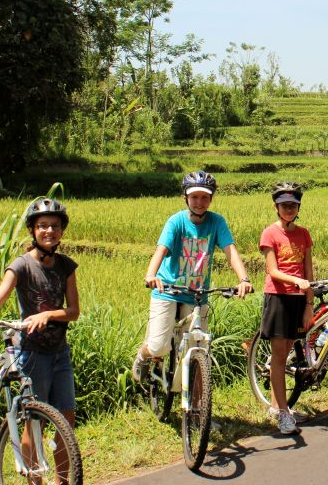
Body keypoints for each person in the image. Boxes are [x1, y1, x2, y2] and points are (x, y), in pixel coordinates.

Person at [0, 198, 80, 478]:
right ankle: (35, 479)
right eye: (42, 226)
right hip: (32, 353)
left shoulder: (66, 265)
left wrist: (49, 315)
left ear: (62, 230)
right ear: (32, 230)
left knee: (66, 419)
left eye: (54, 226)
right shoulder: (21, 265)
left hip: (59, 352)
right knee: (33, 421)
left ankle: (65, 479)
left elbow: (73, 311)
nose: (49, 231)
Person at [133, 171, 253, 383]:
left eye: (205, 197)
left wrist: (244, 279)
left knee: (199, 348)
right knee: (158, 346)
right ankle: (144, 356)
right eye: (195, 197)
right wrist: (151, 275)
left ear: (211, 199)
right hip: (167, 290)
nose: (199, 202)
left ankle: (195, 406)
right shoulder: (176, 222)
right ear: (186, 198)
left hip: (197, 294)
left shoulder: (217, 222)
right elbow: (161, 250)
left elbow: (230, 250)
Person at [258, 182, 313, 435]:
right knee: (279, 357)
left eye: (293, 205)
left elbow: (309, 271)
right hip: (278, 297)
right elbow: (273, 271)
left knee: (286, 352)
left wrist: (309, 304)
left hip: (298, 299)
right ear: (276, 207)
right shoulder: (270, 233)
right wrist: (297, 282)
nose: (288, 209)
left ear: (298, 207)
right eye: (284, 205)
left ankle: (275, 404)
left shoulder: (304, 234)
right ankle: (282, 413)